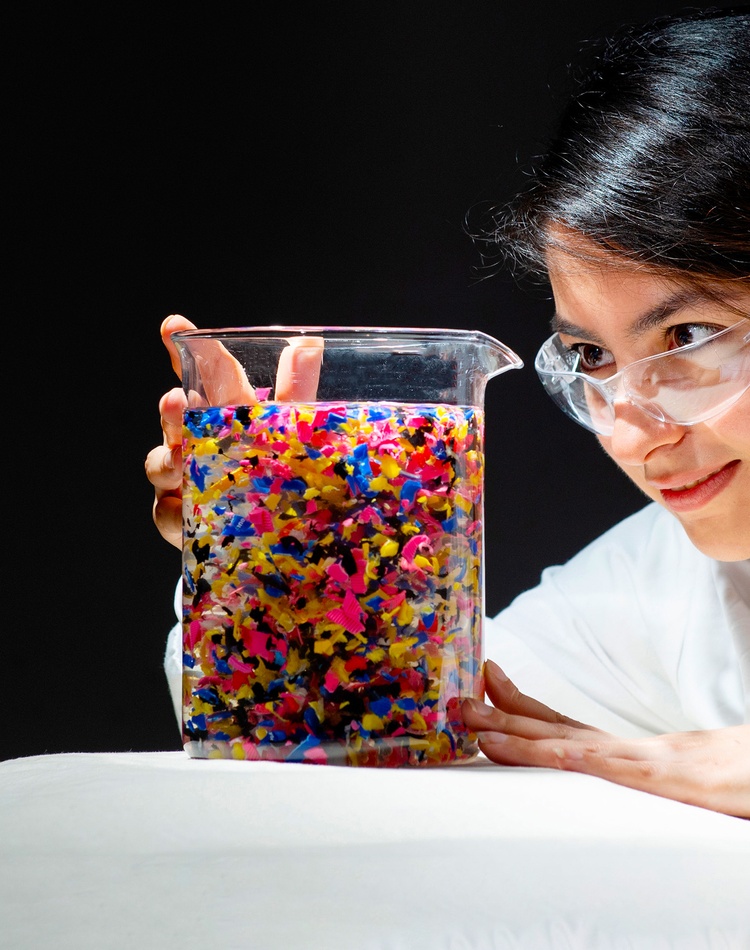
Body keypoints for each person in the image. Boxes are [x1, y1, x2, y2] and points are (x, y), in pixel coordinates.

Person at [145, 8, 750, 817]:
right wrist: (281, 558)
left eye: (691, 336)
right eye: (593, 359)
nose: (633, 431)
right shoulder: (668, 592)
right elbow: (403, 712)